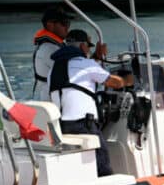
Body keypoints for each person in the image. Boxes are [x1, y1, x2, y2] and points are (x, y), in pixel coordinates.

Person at [47, 29, 125, 177]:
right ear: (82, 46)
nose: (89, 50)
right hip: (83, 125)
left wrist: (97, 56)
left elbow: (80, 74)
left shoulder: (54, 68)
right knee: (102, 161)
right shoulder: (85, 64)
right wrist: (126, 80)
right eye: (89, 46)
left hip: (61, 125)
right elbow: (115, 83)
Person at [32, 5, 74, 99]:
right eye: (64, 23)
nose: (67, 27)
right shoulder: (50, 49)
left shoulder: (51, 46)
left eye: (68, 23)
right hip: (52, 104)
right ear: (50, 25)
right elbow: (74, 72)